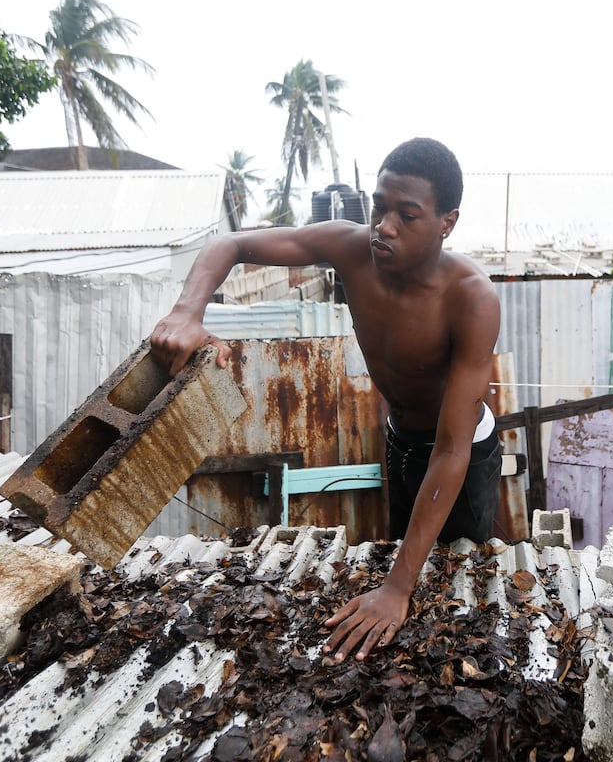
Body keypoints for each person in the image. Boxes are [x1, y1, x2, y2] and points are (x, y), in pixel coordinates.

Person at [150, 137, 502, 662]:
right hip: (401, 438)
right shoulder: (351, 248)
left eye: (407, 216)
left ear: (446, 223)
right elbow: (231, 245)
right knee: (401, 554)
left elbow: (451, 450)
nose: (384, 226)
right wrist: (186, 312)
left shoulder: (470, 298)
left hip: (461, 454)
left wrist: (396, 588)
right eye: (379, 207)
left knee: (456, 577)